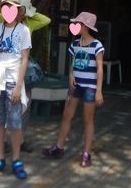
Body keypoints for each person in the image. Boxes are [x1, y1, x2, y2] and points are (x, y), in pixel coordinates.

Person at [42, 11, 104, 168]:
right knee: (66, 115)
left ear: (86, 27)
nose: (75, 26)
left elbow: (99, 68)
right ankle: (59, 147)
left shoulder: (97, 45)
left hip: (90, 86)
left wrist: (98, 90)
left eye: (78, 24)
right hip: (76, 85)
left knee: (87, 119)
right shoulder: (75, 44)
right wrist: (70, 75)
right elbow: (73, 63)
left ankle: (86, 153)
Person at [0, 0, 32, 180]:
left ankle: (16, 159)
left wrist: (19, 86)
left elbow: (24, 59)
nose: (8, 10)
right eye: (5, 6)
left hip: (13, 77)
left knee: (15, 121)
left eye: (12, 7)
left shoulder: (24, 30)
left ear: (18, 10)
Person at [0, 0, 50, 153]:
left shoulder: (29, 24)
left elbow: (46, 20)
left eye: (21, 9)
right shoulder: (4, 20)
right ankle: (4, 140)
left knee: (25, 106)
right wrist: (15, 8)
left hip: (23, 68)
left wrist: (28, 13)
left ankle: (19, 140)